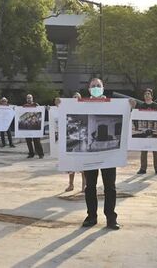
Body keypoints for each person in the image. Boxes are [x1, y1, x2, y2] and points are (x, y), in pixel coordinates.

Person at [71, 78, 120, 230]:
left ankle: (111, 218)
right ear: (89, 89)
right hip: (90, 154)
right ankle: (91, 216)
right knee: (90, 186)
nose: (96, 88)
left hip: (109, 154)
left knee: (110, 187)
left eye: (98, 86)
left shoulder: (113, 105)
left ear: (103, 88)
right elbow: (66, 112)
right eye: (93, 86)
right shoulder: (82, 104)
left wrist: (131, 106)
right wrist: (59, 104)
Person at [136, 88, 157, 175]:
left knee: (156, 151)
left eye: (148, 94)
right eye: (145, 94)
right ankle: (143, 168)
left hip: (154, 131)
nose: (147, 95)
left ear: (152, 96)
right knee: (144, 151)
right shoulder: (141, 106)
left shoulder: (156, 106)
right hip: (144, 131)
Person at [66, 92, 85, 192]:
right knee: (71, 165)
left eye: (77, 97)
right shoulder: (68, 110)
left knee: (83, 165)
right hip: (71, 139)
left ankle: (84, 186)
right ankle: (71, 185)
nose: (76, 99)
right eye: (74, 98)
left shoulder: (84, 110)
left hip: (81, 139)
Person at [23, 94, 44, 158]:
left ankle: (41, 154)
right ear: (26, 99)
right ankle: (31, 154)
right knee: (28, 141)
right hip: (27, 127)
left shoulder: (36, 105)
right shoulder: (24, 106)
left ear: (32, 98)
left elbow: (41, 111)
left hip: (35, 126)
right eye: (28, 98)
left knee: (37, 141)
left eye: (30, 98)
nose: (29, 99)